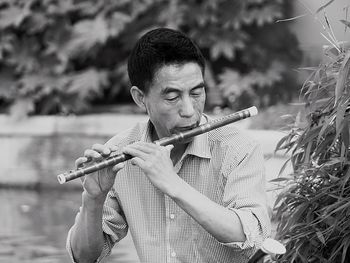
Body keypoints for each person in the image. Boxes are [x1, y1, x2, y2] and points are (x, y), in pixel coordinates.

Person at [66, 27, 271, 263]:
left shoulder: (238, 148)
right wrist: (93, 199)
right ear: (140, 97)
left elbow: (253, 239)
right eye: (172, 97)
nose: (189, 111)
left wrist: (171, 182)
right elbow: (84, 257)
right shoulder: (120, 151)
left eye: (196, 93)